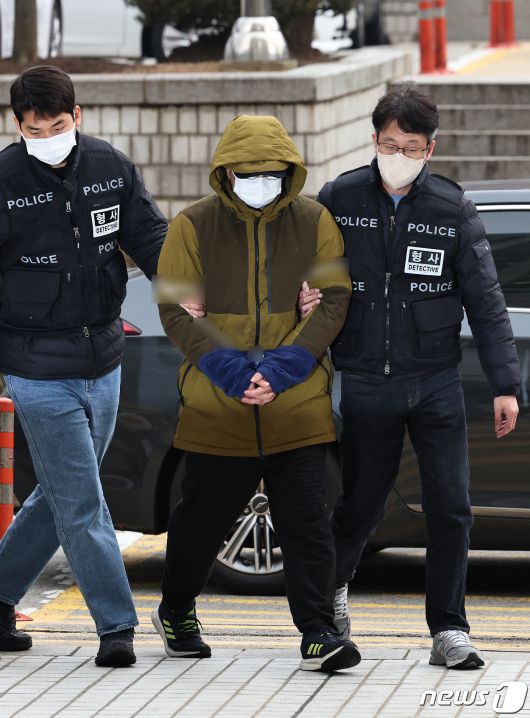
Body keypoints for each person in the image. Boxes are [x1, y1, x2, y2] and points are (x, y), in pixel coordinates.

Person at [299, 83, 520, 670]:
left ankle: (449, 628)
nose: (399, 156)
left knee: (451, 507)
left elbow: (487, 302)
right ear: (375, 140)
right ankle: (332, 596)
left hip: (435, 382)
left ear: (430, 149)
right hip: (365, 381)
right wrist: (305, 294)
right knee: (361, 505)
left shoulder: (451, 208)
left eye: (412, 147)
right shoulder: (339, 197)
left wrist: (505, 385)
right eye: (390, 144)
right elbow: (307, 269)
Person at [153, 114, 360, 672]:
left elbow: (334, 298)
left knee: (307, 523)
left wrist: (287, 366)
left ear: (289, 172)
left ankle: (317, 633)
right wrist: (230, 370)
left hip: (297, 405)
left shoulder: (315, 220)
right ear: (226, 172)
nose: (261, 182)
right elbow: (174, 306)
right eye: (248, 173)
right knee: (200, 521)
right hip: (217, 405)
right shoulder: (191, 225)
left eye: (272, 173)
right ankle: (176, 610)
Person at [0, 66, 167, 667]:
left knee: (62, 492)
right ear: (17, 126)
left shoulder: (109, 166)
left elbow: (151, 239)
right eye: (33, 130)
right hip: (35, 365)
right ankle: (116, 626)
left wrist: (191, 290)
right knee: (82, 500)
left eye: (56, 125)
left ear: (78, 116)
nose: (46, 137)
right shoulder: (4, 179)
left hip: (104, 358)